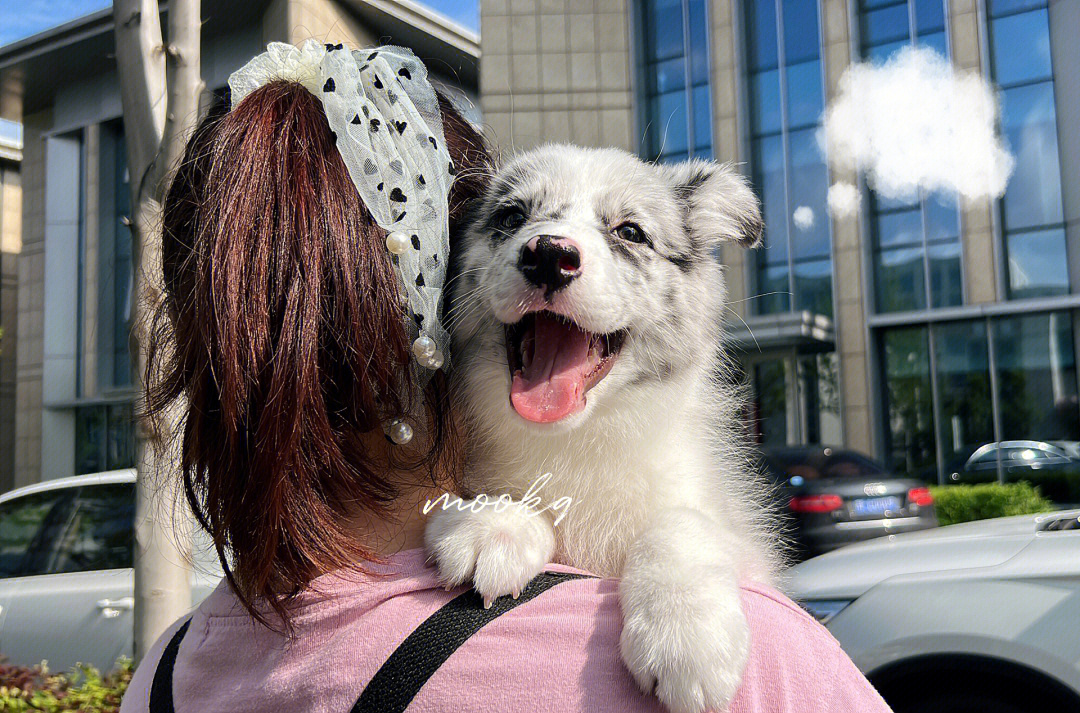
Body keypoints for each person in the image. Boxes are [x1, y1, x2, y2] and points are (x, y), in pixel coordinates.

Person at [120, 41, 892, 713]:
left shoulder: (166, 670)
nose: (550, 243)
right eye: (513, 217)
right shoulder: (777, 665)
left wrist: (676, 555)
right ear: (435, 291)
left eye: (626, 231)